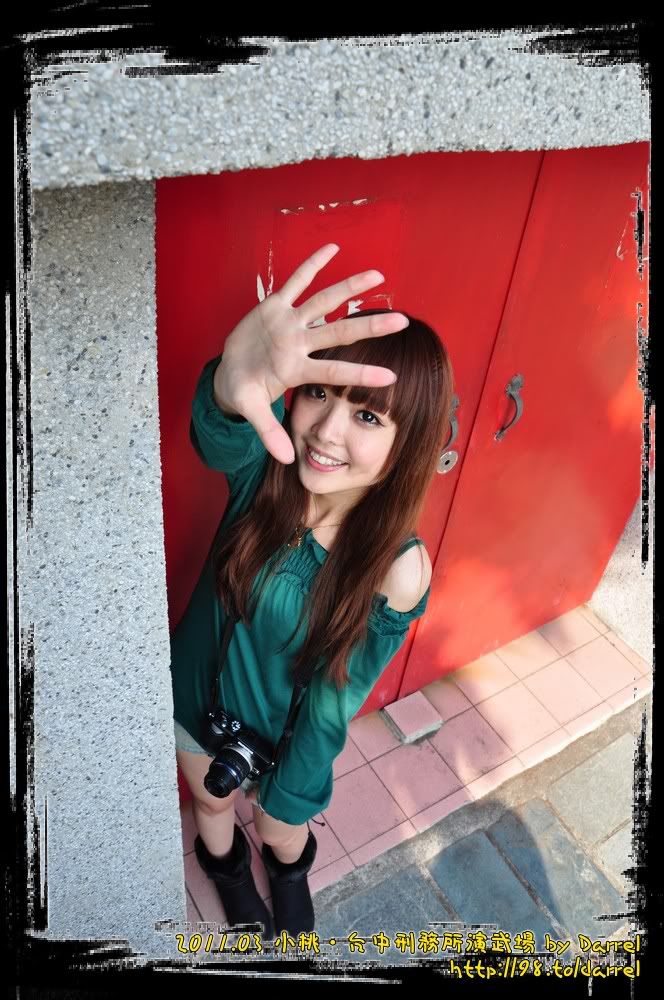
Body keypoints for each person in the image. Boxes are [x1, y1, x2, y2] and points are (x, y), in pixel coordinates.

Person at [170, 243, 454, 941]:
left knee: (281, 831)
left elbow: (336, 698)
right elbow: (220, 434)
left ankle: (288, 872)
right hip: (197, 699)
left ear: (408, 445)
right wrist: (230, 382)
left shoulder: (394, 567)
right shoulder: (266, 472)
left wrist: (289, 798)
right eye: (321, 393)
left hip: (284, 737)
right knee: (212, 808)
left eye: (367, 416)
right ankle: (226, 871)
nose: (325, 431)